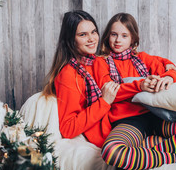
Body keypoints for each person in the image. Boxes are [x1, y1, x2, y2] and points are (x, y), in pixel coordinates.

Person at [92, 13, 176, 170]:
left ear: (133, 39)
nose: (118, 40)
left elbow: (170, 68)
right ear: (107, 36)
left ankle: (140, 157)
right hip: (129, 121)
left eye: (124, 35)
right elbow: (110, 92)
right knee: (112, 152)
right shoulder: (101, 62)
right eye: (114, 34)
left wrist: (169, 76)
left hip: (159, 116)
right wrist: (140, 85)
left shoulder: (142, 58)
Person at [42, 10, 121, 148]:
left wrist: (168, 69)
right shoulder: (68, 74)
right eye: (83, 35)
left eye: (93, 32)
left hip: (121, 122)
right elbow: (68, 128)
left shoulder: (98, 61)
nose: (91, 39)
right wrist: (104, 102)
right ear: (70, 40)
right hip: (108, 136)